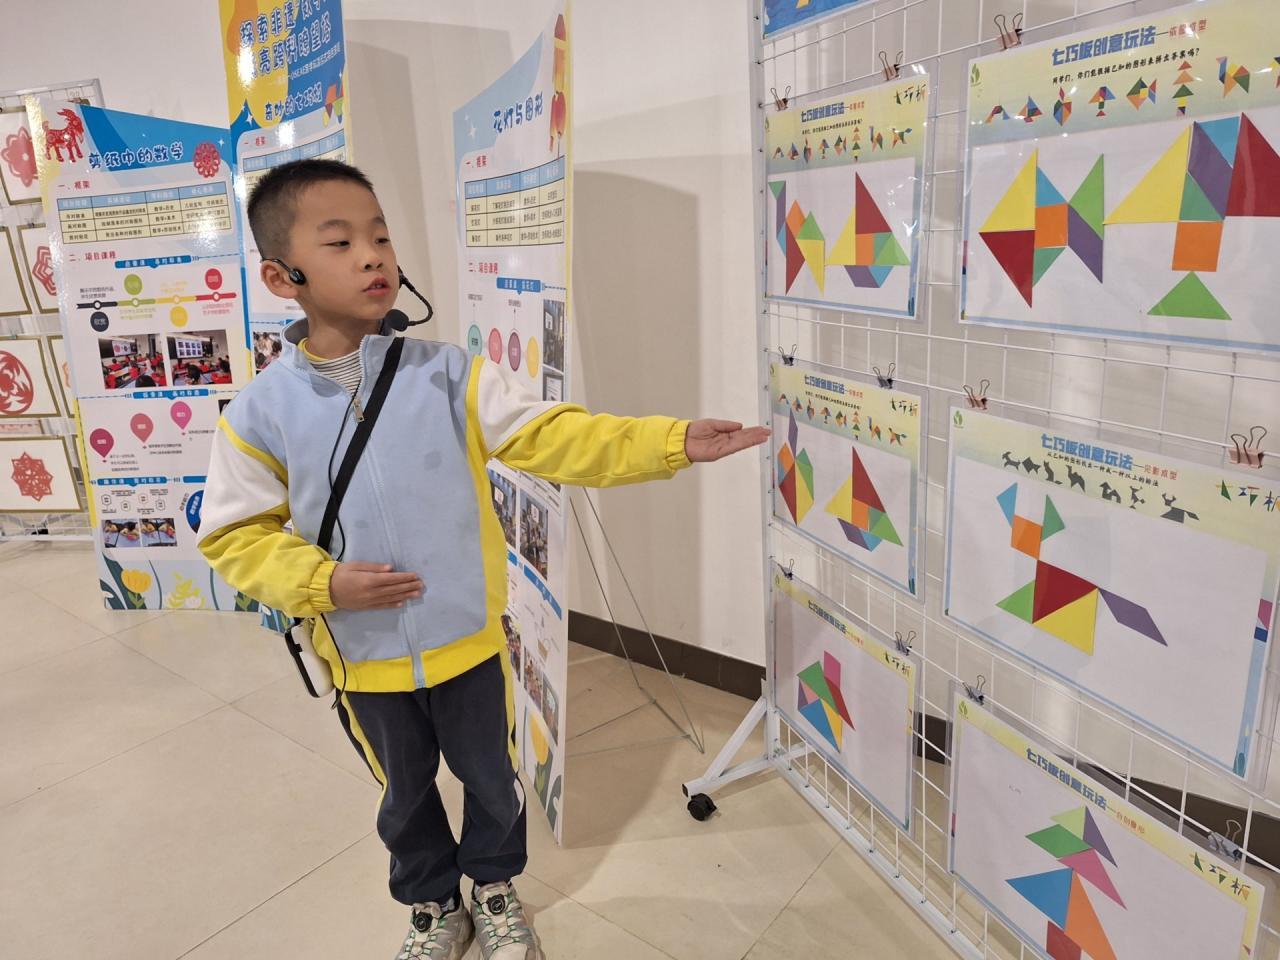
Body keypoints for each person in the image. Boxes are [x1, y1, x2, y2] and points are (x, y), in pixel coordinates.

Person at [196, 159, 768, 960]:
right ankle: (433, 904)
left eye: (381, 236)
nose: (373, 256)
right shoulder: (259, 413)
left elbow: (558, 436)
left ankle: (494, 887)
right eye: (341, 242)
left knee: (492, 778)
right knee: (403, 795)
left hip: (466, 642)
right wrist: (322, 583)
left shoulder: (452, 376)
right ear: (280, 275)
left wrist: (669, 442)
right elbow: (233, 535)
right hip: (362, 659)